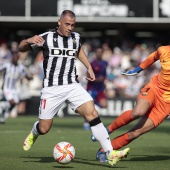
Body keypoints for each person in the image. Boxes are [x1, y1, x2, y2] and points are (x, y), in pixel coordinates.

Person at [18, 10, 130, 166]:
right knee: (44, 128)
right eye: (67, 24)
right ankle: (34, 132)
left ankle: (110, 153)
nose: (70, 28)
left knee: (92, 113)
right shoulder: (46, 38)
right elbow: (21, 48)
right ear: (59, 22)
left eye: (73, 25)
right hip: (52, 89)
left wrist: (89, 67)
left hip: (72, 85)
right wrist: (28, 40)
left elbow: (78, 50)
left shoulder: (76, 37)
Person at [91, 45, 170, 162]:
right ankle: (108, 130)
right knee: (138, 112)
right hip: (154, 88)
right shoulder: (164, 50)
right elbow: (154, 56)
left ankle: (103, 151)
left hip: (166, 105)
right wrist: (138, 69)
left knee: (134, 133)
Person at [0, 50, 32, 123]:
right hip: (7, 88)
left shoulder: (21, 67)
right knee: (12, 102)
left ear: (18, 58)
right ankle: (2, 109)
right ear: (12, 57)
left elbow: (26, 75)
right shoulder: (7, 65)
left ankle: (2, 115)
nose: (15, 58)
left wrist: (30, 78)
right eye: (14, 57)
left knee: (15, 103)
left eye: (17, 57)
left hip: (14, 89)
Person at [83, 47, 108, 130]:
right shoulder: (92, 63)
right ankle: (86, 123)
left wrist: (103, 82)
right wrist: (97, 79)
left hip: (100, 89)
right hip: (91, 88)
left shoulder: (105, 63)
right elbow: (88, 76)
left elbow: (104, 75)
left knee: (104, 105)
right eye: (98, 52)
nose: (99, 54)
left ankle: (96, 104)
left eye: (101, 52)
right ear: (95, 53)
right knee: (88, 108)